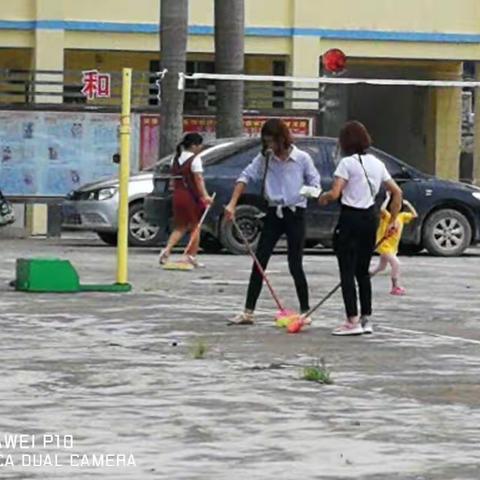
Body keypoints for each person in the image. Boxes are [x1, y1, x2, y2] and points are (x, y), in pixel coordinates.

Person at [224, 119, 321, 325]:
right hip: (273, 213)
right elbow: (245, 176)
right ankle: (248, 311)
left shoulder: (302, 158)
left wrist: (302, 194)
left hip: (295, 214)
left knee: (295, 263)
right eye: (266, 142)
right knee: (259, 261)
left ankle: (305, 311)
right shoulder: (265, 159)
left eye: (272, 142)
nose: (270, 146)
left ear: (282, 139)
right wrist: (232, 203)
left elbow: (315, 183)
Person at [318, 120, 403, 336]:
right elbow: (397, 192)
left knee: (346, 270)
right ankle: (366, 319)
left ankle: (351, 320)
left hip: (349, 219)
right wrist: (393, 220)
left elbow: (336, 193)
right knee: (362, 272)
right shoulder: (377, 163)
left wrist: (323, 197)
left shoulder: (346, 164)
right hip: (369, 219)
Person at [158, 133, 213, 267]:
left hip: (177, 195)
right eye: (200, 145)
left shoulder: (175, 159)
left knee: (180, 226)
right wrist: (205, 196)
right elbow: (198, 179)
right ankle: (191, 256)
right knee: (195, 227)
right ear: (194, 146)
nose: (200, 148)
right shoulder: (195, 160)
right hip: (190, 196)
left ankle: (167, 250)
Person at [370, 195, 418, 295]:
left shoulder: (402, 216)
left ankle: (365, 275)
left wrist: (408, 204)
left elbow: (415, 215)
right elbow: (382, 209)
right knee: (396, 264)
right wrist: (387, 198)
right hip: (384, 246)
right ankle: (395, 286)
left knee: (381, 267)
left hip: (392, 247)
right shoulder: (387, 216)